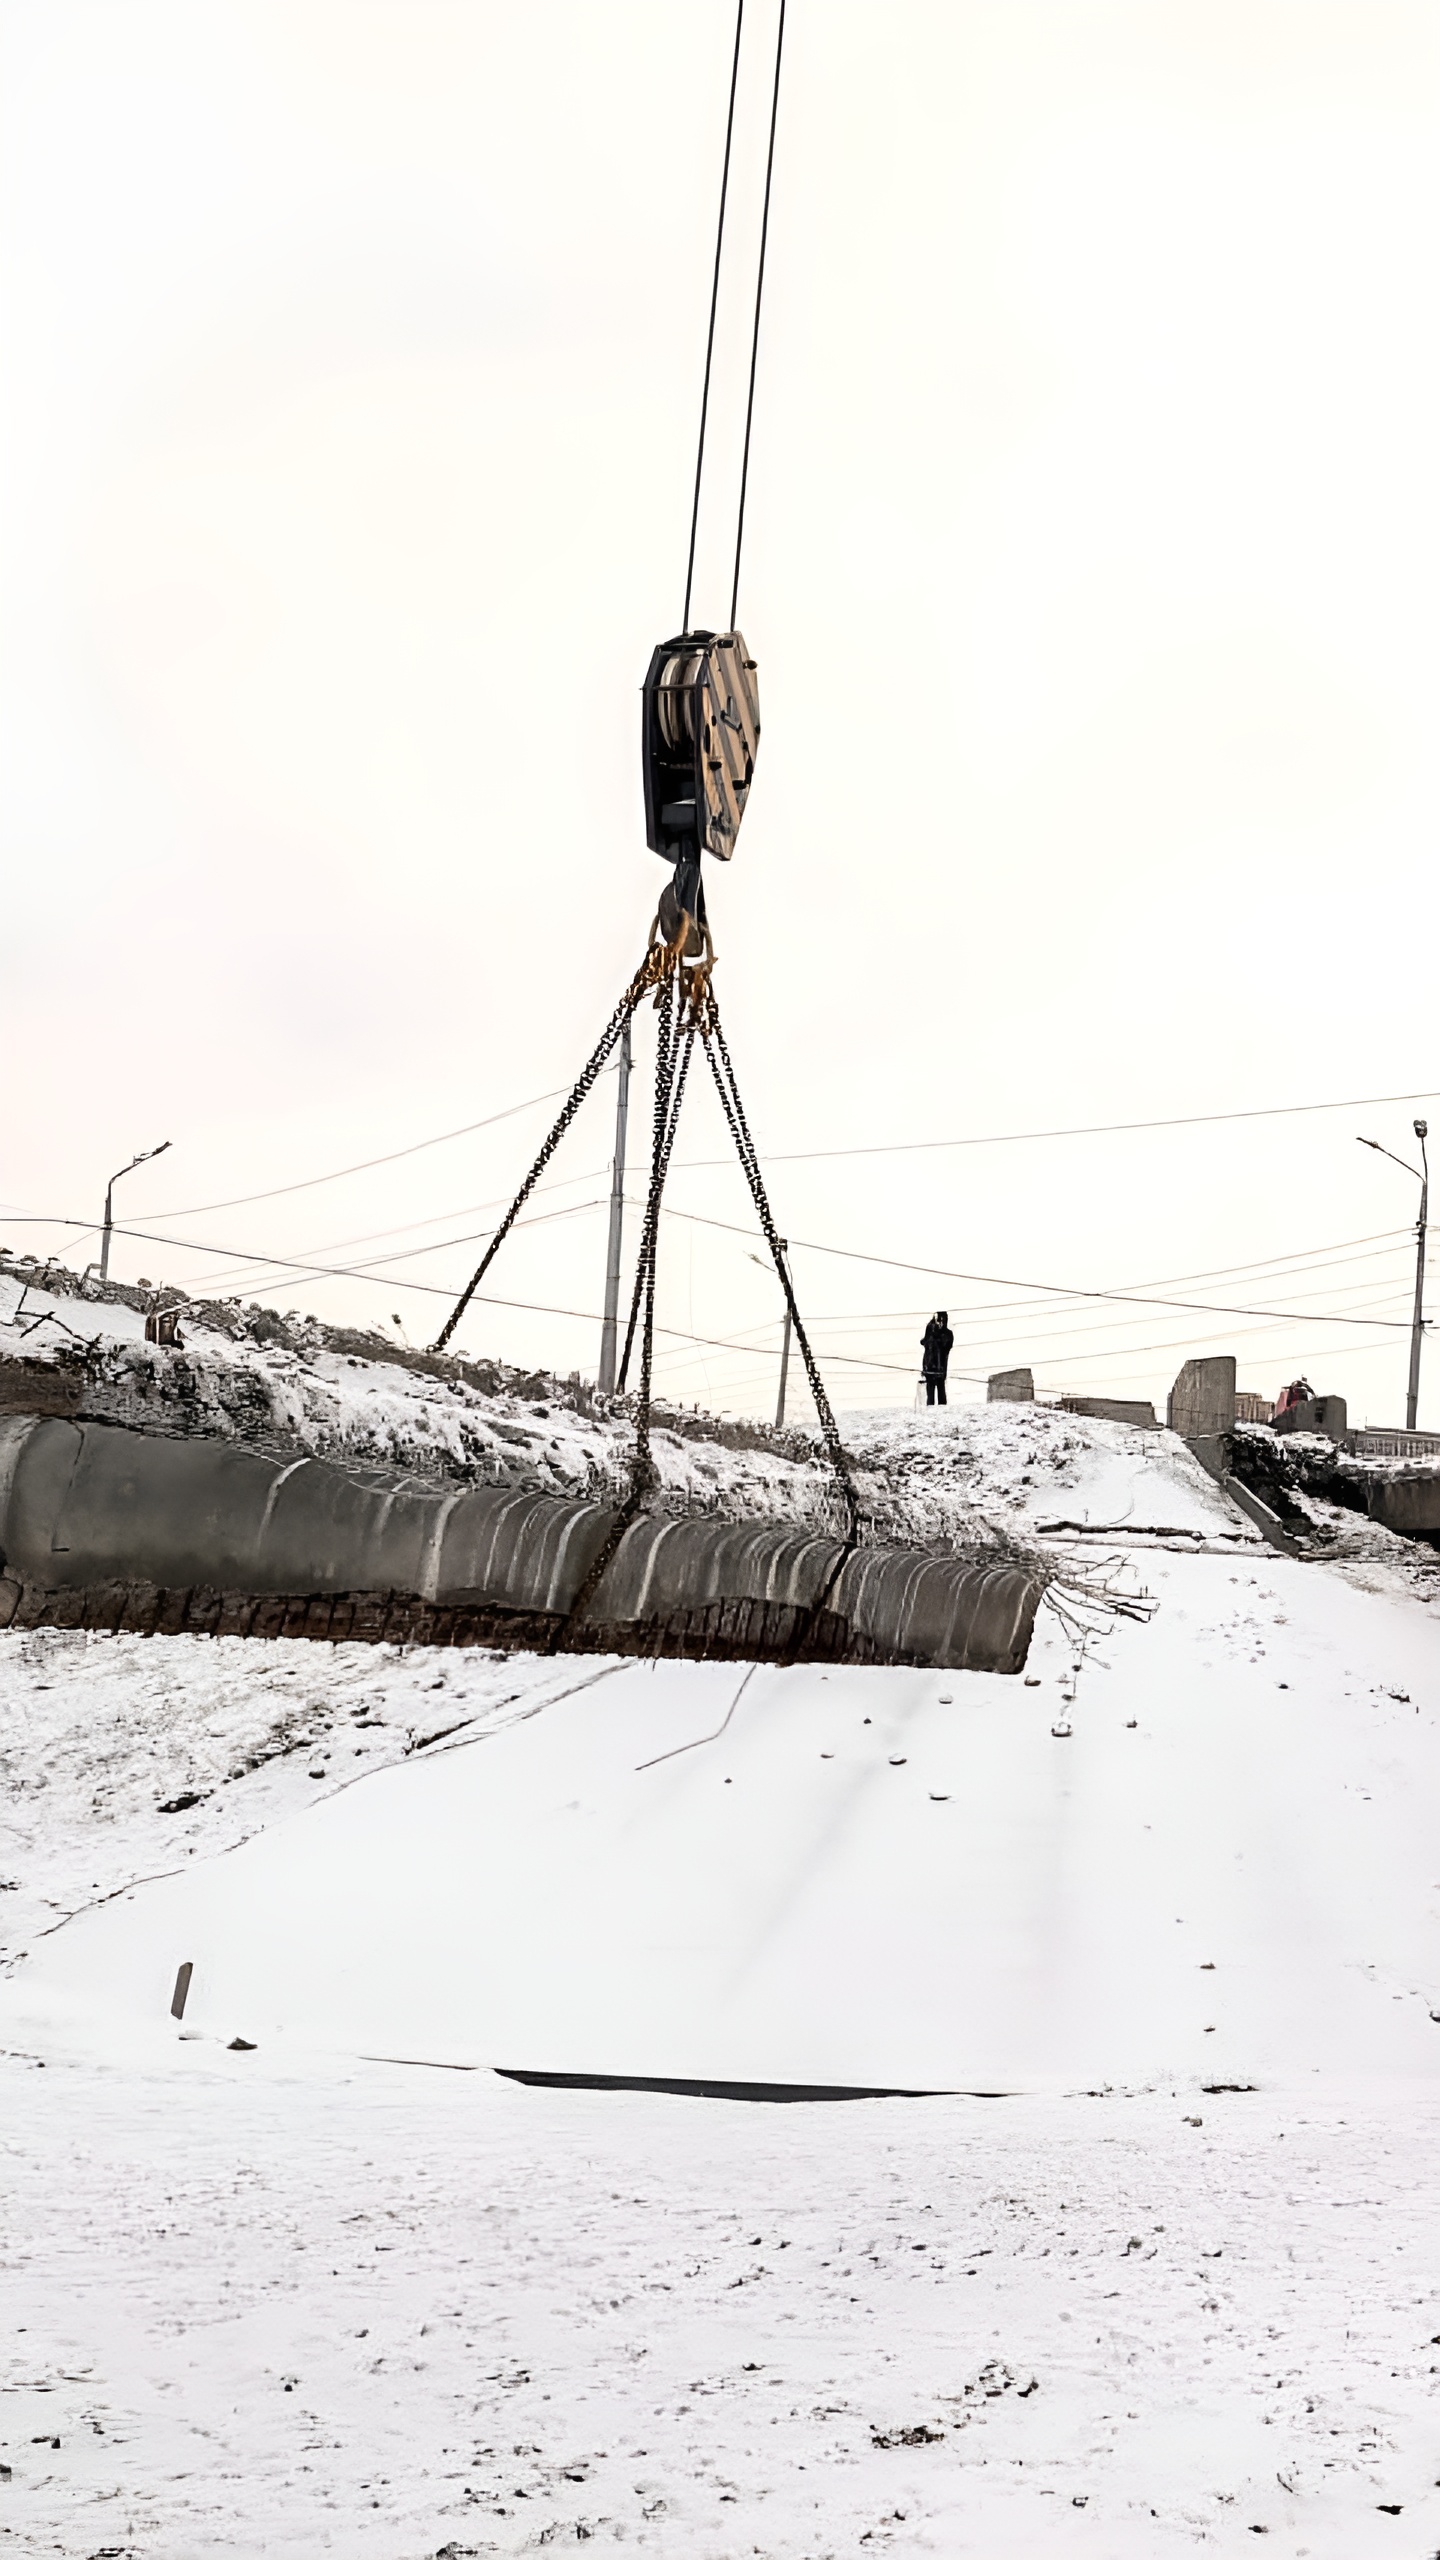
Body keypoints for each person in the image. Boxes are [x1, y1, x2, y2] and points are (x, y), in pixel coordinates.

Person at [921, 1309, 953, 1407]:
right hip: (929, 1368)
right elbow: (924, 1342)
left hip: (940, 1368)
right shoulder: (930, 1333)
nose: (940, 1323)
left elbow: (946, 1345)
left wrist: (936, 1333)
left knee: (941, 1394)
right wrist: (931, 1329)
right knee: (930, 1396)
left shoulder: (947, 1334)